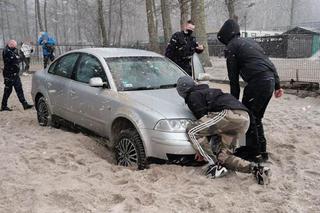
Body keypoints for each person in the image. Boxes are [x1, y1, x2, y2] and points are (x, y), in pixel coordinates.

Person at [176, 76, 270, 185]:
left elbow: (203, 124)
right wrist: (248, 145)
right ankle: (257, 169)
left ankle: (214, 166)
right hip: (245, 121)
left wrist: (200, 150)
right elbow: (212, 125)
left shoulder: (193, 95)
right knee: (223, 157)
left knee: (192, 130)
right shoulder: (209, 91)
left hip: (230, 114)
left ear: (182, 91)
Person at [217, 19, 284, 162]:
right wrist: (277, 85)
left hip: (257, 83)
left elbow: (233, 79)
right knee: (256, 118)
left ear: (226, 36)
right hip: (269, 81)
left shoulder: (231, 48)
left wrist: (233, 102)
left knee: (245, 118)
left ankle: (251, 153)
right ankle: (262, 151)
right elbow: (270, 64)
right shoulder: (251, 42)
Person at [1, 40, 33, 111]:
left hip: (15, 75)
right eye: (14, 46)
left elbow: (19, 58)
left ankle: (25, 104)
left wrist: (22, 55)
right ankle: (3, 106)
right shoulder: (6, 51)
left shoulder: (13, 50)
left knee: (19, 89)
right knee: (8, 91)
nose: (15, 47)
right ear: (10, 44)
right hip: (9, 75)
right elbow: (15, 60)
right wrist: (20, 57)